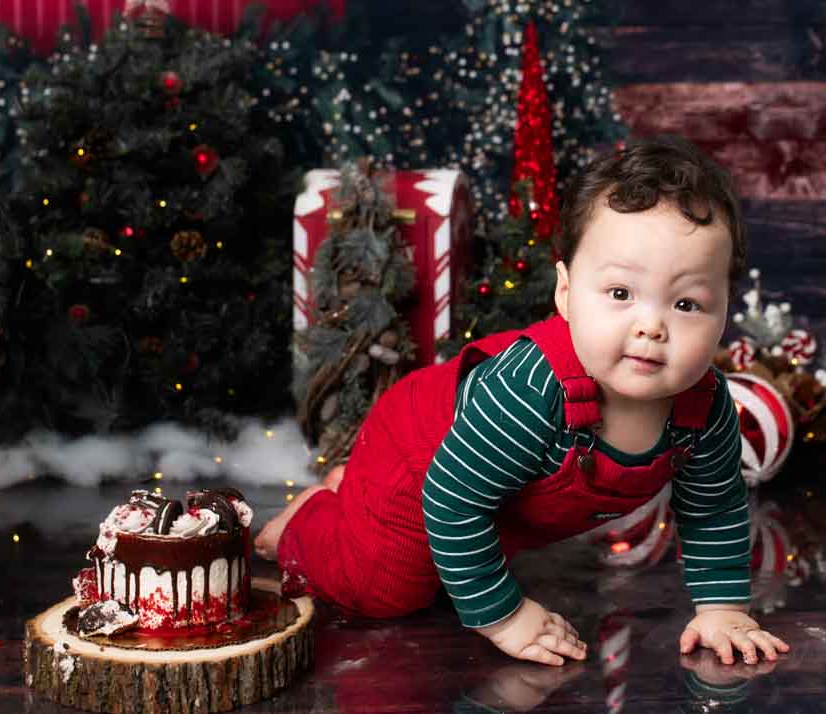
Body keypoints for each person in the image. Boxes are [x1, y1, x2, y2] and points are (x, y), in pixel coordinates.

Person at [256, 134, 790, 667]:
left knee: (475, 544)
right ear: (566, 292)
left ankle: (354, 489)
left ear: (724, 312)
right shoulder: (529, 392)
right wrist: (504, 616)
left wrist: (722, 607)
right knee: (387, 589)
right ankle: (307, 526)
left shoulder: (707, 408)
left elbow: (714, 509)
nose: (651, 326)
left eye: (686, 302)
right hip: (421, 459)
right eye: (621, 294)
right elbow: (450, 502)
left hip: (485, 483)